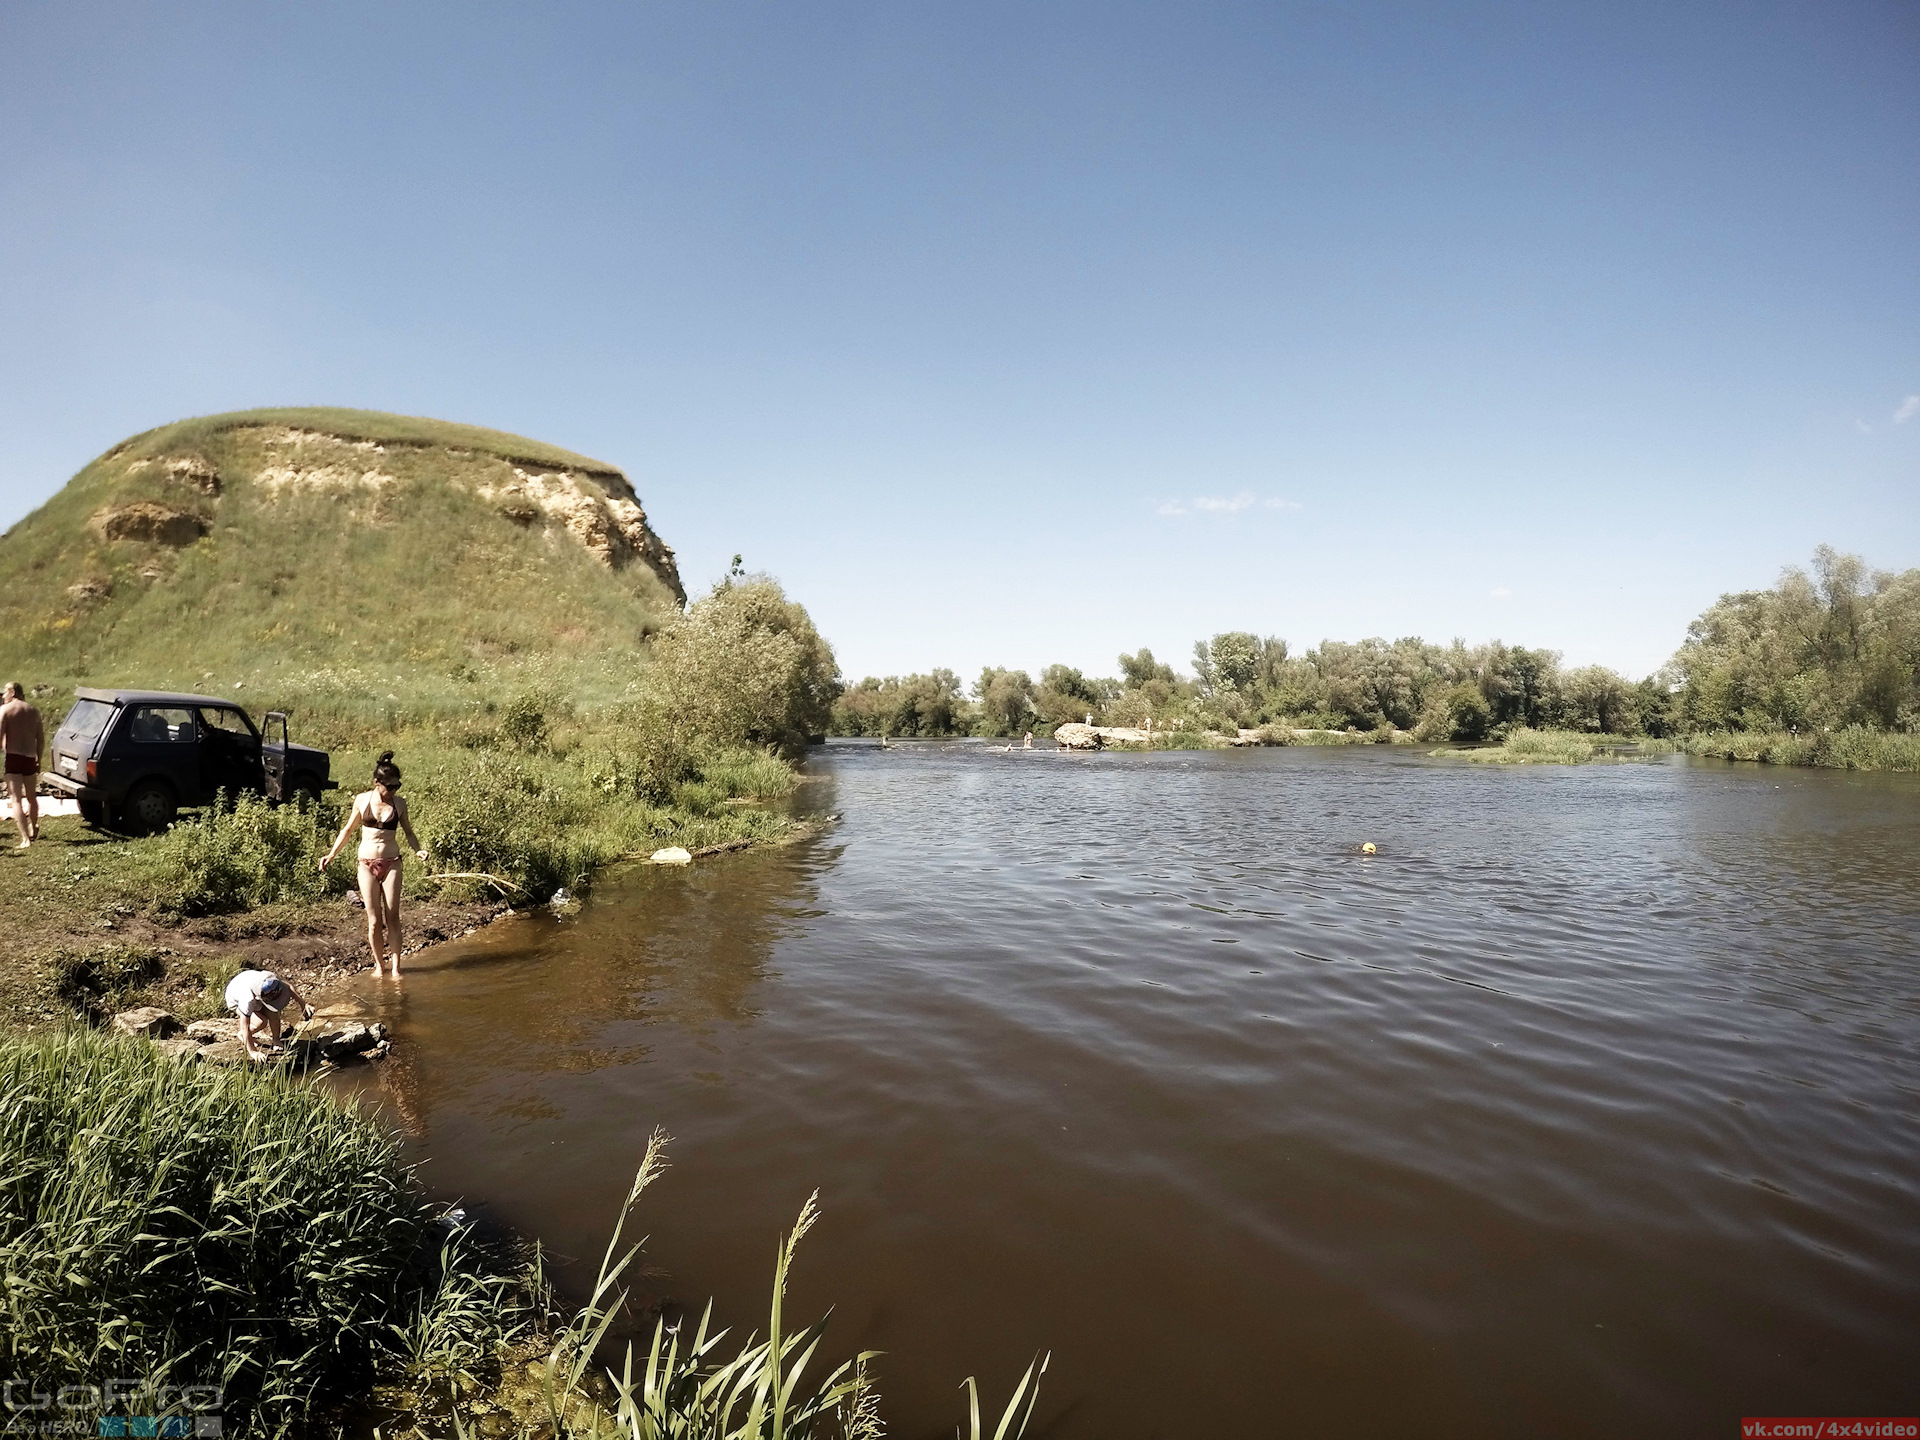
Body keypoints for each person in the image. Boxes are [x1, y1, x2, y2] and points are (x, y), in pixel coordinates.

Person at [320, 751, 427, 978]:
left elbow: (408, 832)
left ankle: (396, 968)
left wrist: (418, 850)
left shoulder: (399, 804)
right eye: (389, 787)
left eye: (397, 786)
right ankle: (379, 965)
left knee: (393, 916)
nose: (393, 791)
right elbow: (347, 830)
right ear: (377, 783)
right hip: (366, 863)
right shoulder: (362, 800)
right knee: (374, 920)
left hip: (392, 862)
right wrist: (331, 855)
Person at [224, 966, 313, 1061]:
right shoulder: (247, 999)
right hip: (235, 1000)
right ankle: (242, 1035)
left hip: (252, 986)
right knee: (261, 1022)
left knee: (274, 1014)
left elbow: (288, 987)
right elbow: (244, 1025)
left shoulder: (271, 979)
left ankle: (276, 1039)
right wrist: (253, 1052)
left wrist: (303, 1004)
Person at [0, 683, 45, 850]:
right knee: (32, 797)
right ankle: (34, 826)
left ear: (12, 692)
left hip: (13, 757)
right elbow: (40, 739)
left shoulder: (5, 710)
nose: (3, 696)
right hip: (29, 757)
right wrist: (38, 758)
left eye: (4, 692)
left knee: (16, 799)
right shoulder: (33, 711)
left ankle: (25, 838)